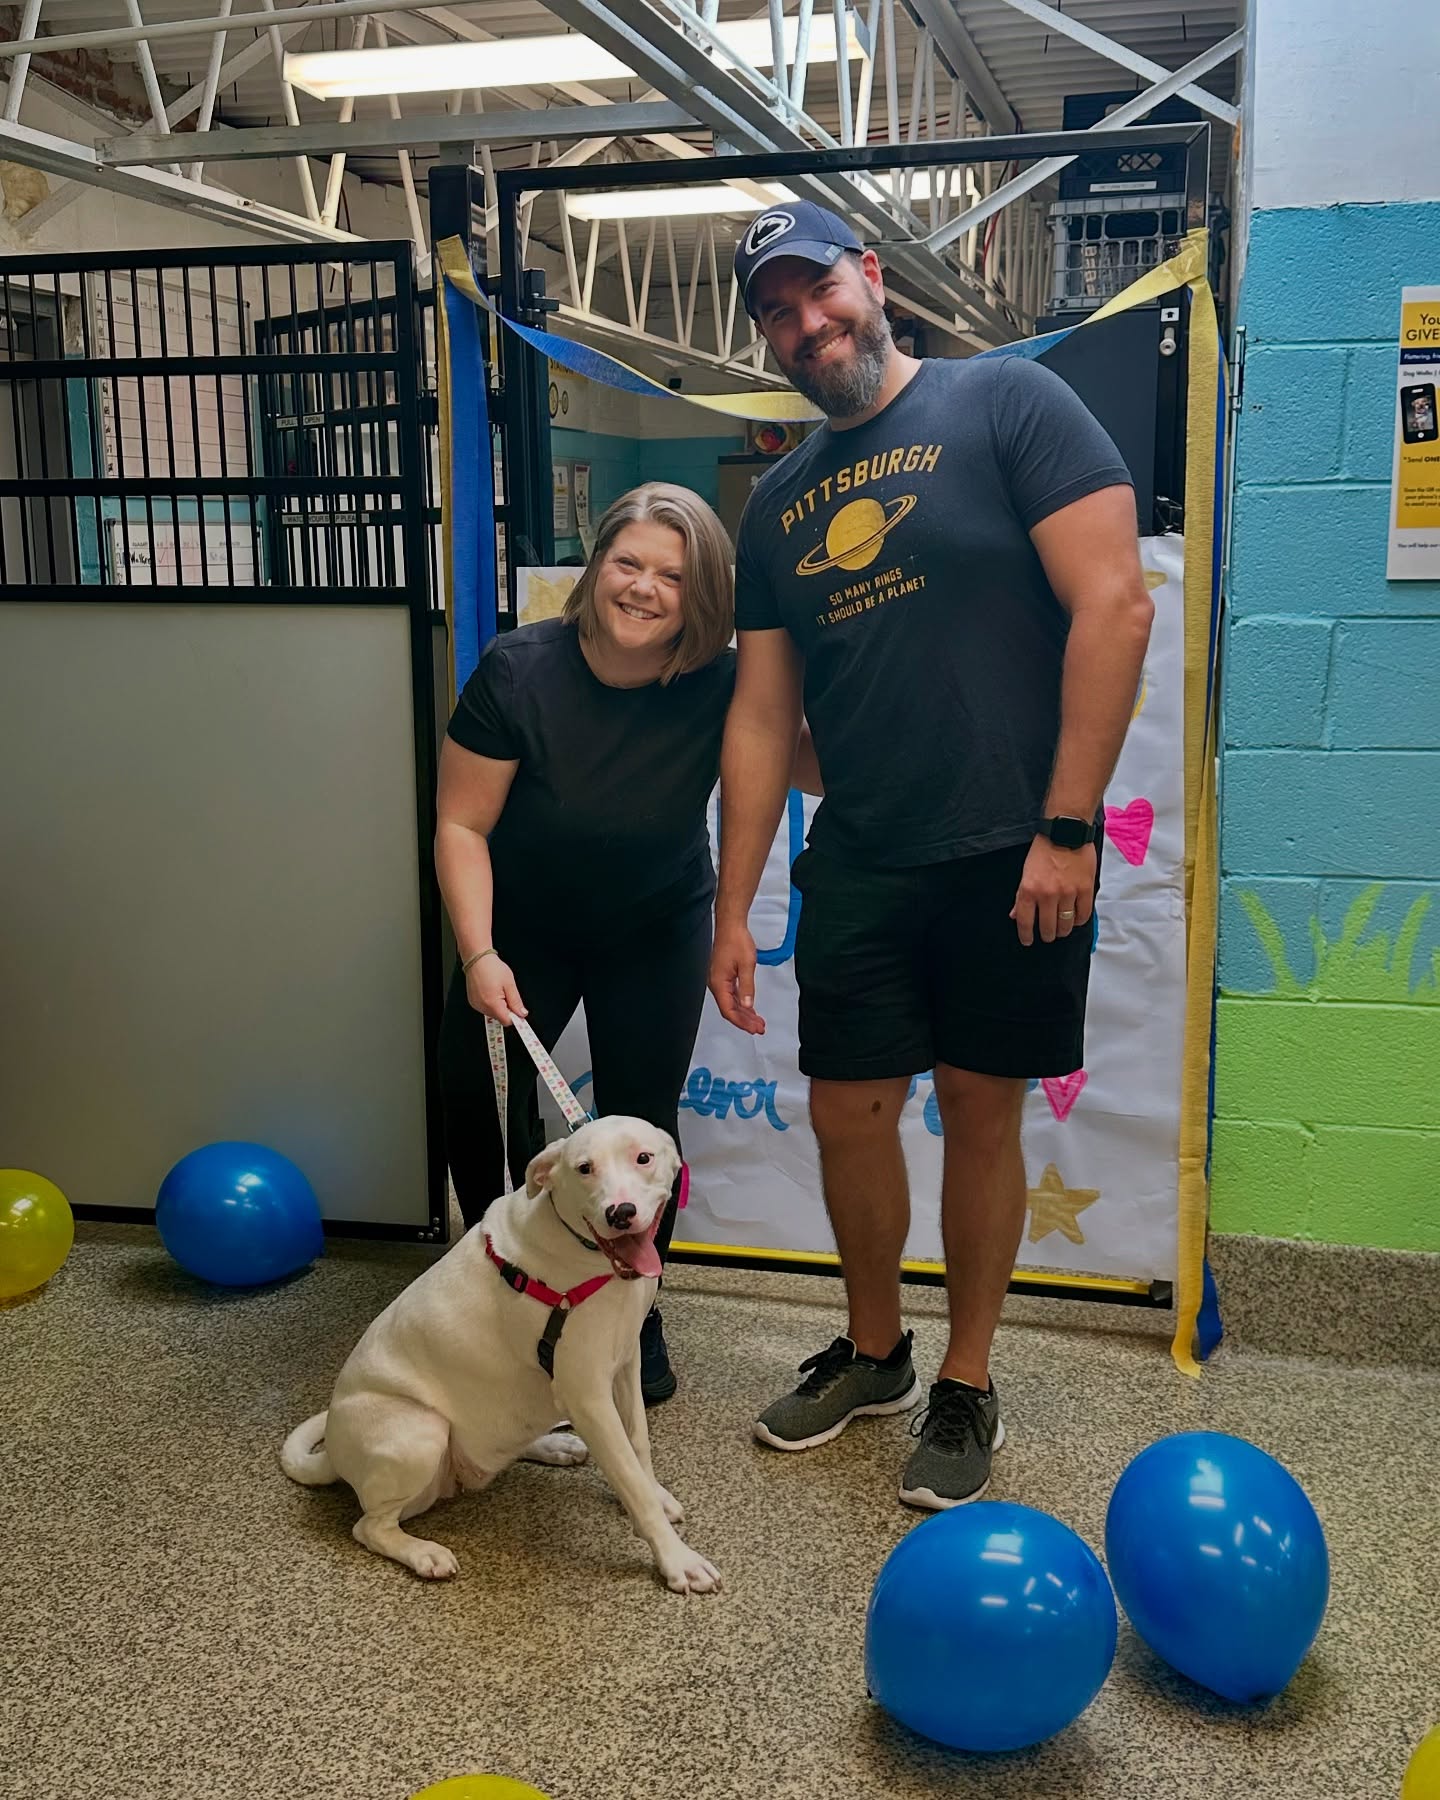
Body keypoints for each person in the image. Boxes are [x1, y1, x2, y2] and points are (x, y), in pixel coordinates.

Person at [710, 200, 1155, 1508]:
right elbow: (760, 716)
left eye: (817, 294)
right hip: (861, 860)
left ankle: (964, 1378)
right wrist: (733, 908)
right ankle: (874, 1352)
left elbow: (1115, 606)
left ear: (872, 277)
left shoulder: (1005, 404)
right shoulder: (782, 500)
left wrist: (1067, 825)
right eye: (777, 315)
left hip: (1015, 850)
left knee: (977, 1111)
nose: (805, 327)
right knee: (849, 1112)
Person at [435, 482, 736, 1406]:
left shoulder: (723, 678)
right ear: (596, 564)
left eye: (672, 576)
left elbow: (805, 756)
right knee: (475, 1105)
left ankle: (632, 1315)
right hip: (524, 927)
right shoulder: (519, 670)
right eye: (628, 563)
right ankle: (500, 1290)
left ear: (704, 593)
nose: (644, 588)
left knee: (643, 1129)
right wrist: (481, 953)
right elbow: (461, 826)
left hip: (656, 926)